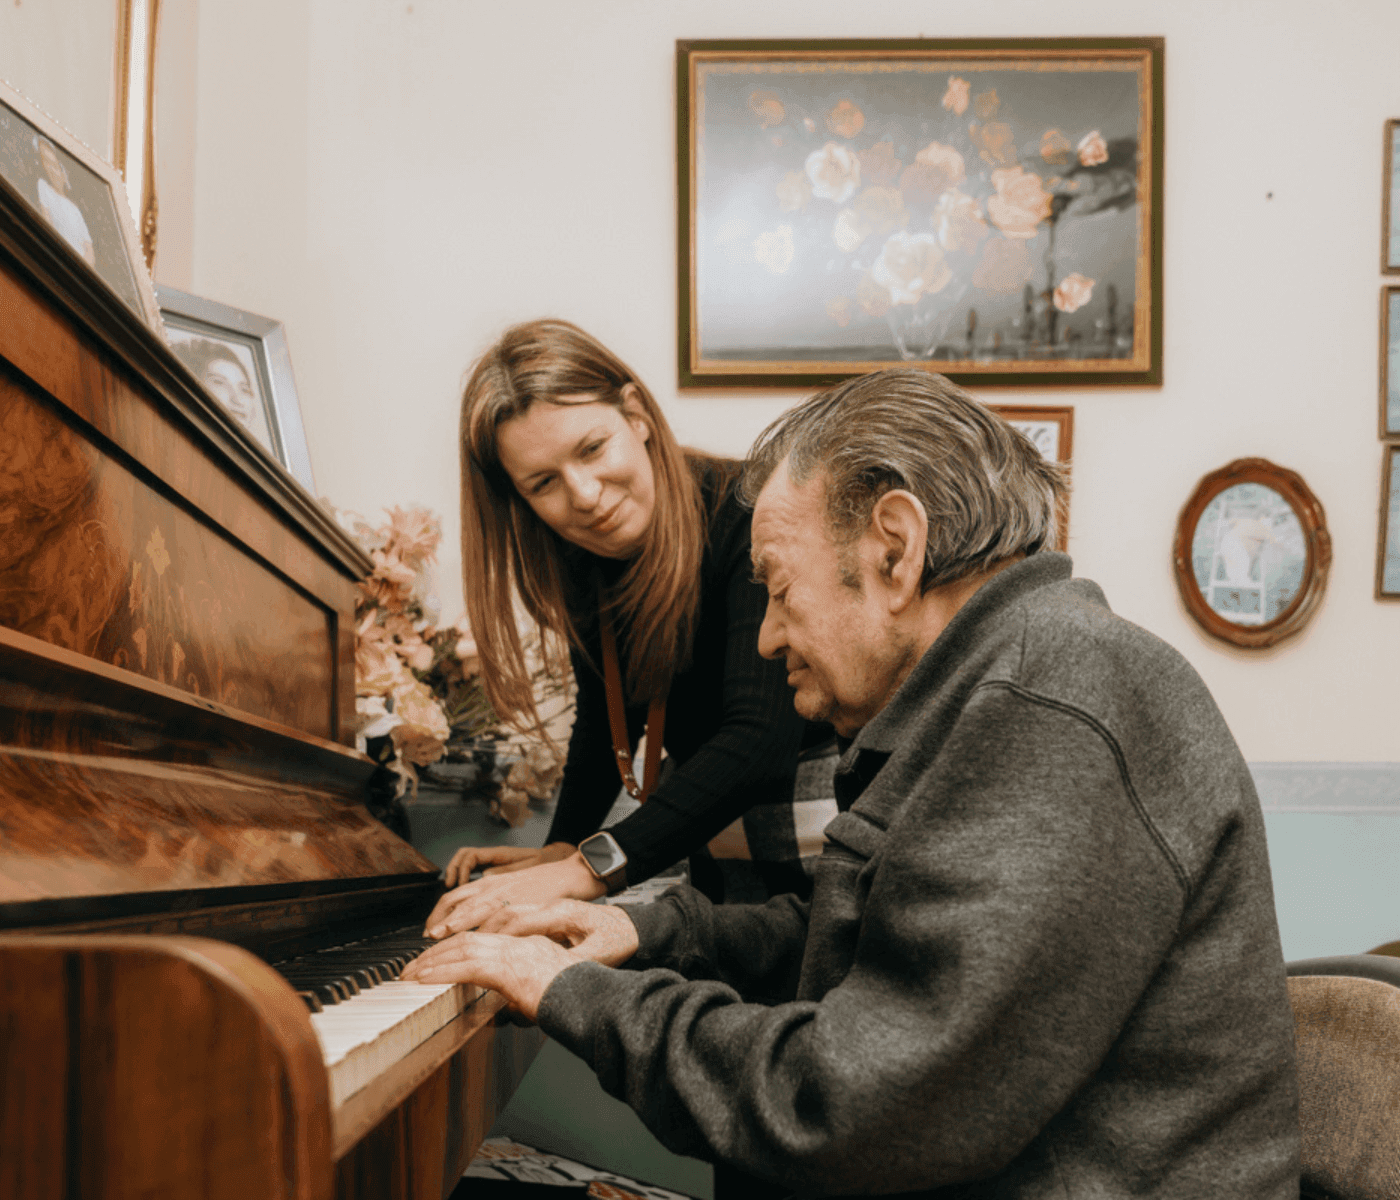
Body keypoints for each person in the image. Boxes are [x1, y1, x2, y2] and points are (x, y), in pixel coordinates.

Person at [406, 368, 1300, 1198]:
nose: (763, 639)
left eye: (779, 591)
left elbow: (849, 1106)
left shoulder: (1056, 697)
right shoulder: (994, 686)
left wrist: (569, 992)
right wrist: (640, 925)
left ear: (895, 551)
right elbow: (856, 931)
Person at [426, 319, 835, 936]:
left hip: (825, 858)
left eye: (591, 449)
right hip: (723, 863)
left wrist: (583, 869)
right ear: (519, 499)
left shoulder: (749, 511)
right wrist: (560, 847)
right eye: (543, 483)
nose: (584, 495)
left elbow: (758, 743)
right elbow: (607, 716)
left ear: (636, 414)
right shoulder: (583, 559)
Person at [34, 136, 95, 267]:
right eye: (46, 162)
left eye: (55, 166)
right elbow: (47, 223)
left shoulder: (75, 210)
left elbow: (89, 250)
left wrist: (82, 268)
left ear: (63, 173)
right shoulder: (44, 187)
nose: (52, 170)